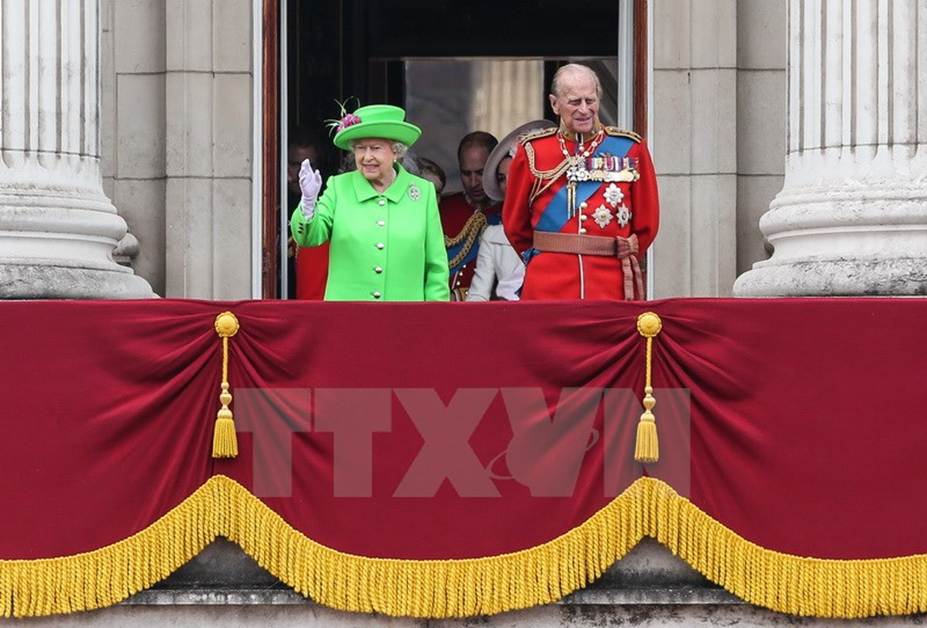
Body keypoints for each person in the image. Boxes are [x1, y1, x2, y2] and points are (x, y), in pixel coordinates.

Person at [502, 64, 659, 300]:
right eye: (575, 102)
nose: (584, 110)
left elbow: (647, 224)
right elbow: (515, 226)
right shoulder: (533, 150)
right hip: (548, 285)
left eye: (591, 100)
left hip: (610, 285)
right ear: (555, 104)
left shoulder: (630, 148)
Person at [291, 104, 449, 301]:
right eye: (360, 148)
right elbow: (311, 237)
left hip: (405, 321)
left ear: (396, 151)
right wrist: (308, 203)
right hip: (348, 319)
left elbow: (436, 267)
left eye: (375, 148)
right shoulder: (339, 188)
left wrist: (434, 318)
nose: (367, 157)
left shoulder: (422, 193)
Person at [466, 121, 548, 301]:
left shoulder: (562, 228)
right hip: (508, 317)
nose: (509, 185)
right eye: (502, 178)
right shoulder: (493, 235)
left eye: (517, 176)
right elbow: (477, 296)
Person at [440, 131, 499, 300]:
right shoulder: (444, 207)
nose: (473, 183)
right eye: (466, 174)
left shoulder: (507, 213)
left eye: (480, 173)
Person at [287, 133, 330, 300]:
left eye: (308, 165)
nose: (300, 173)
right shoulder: (268, 200)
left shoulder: (327, 204)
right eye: (294, 164)